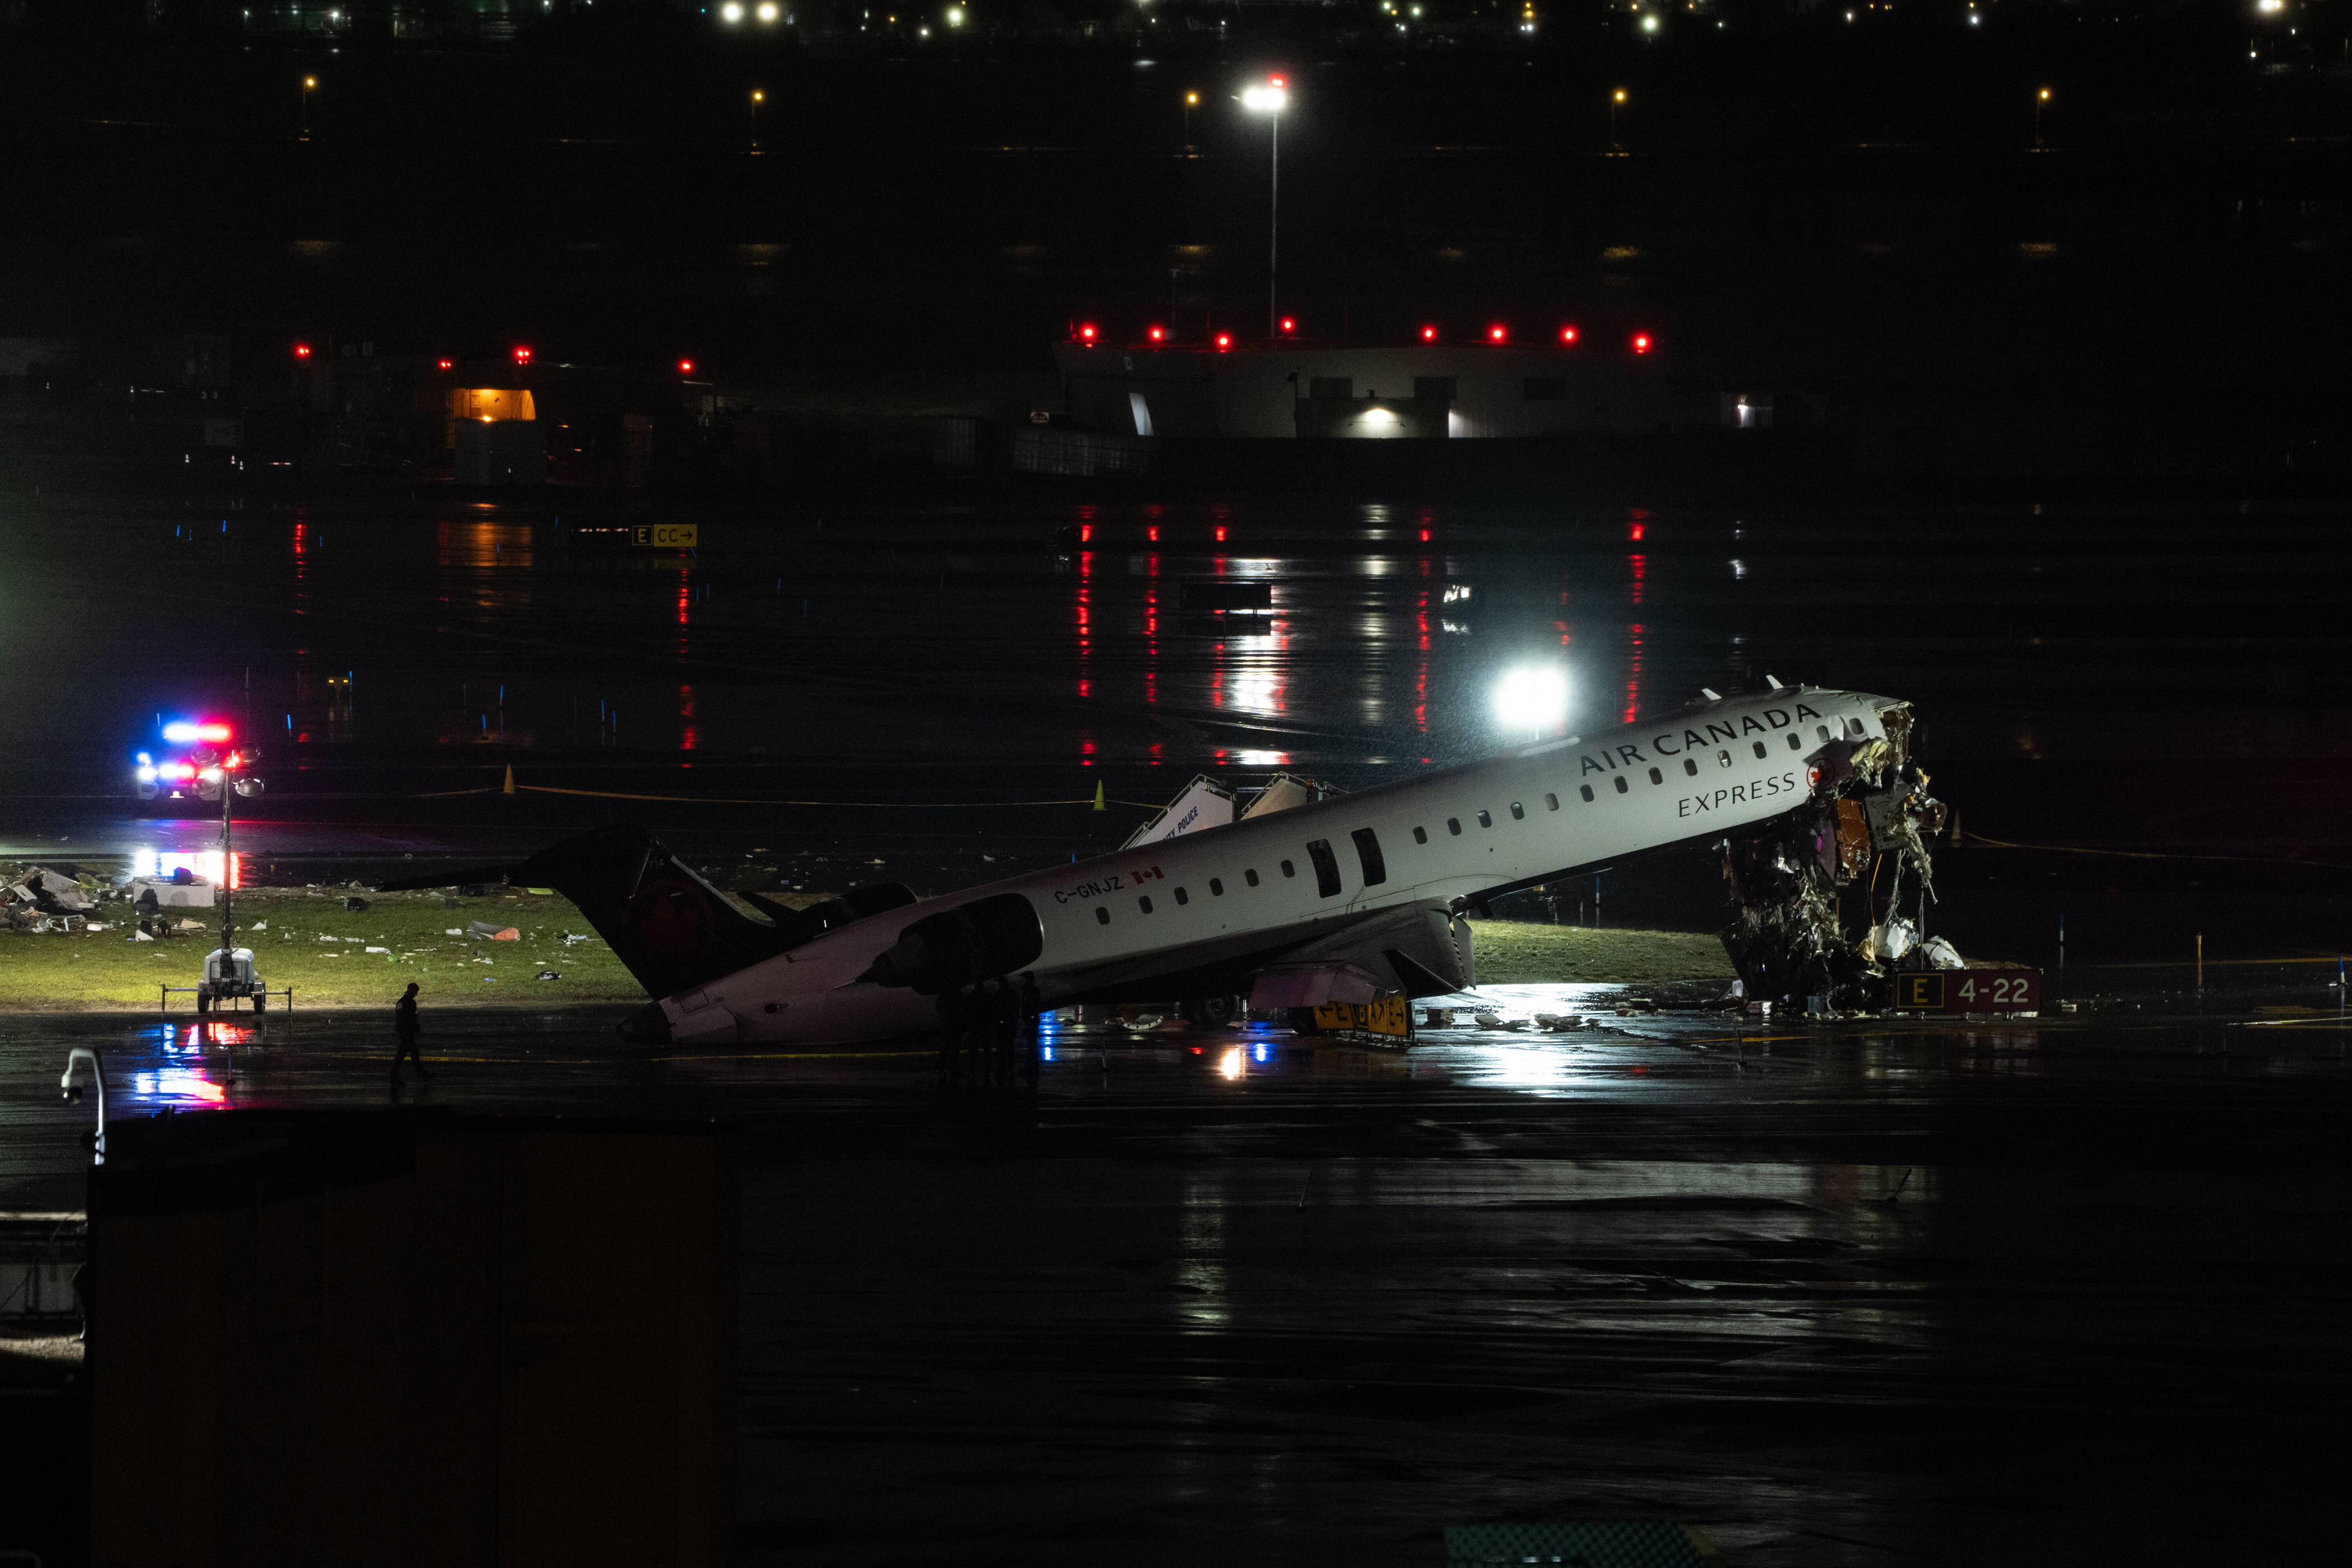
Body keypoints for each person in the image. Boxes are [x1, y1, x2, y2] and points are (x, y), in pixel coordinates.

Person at [391, 981, 429, 1089]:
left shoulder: (401, 1002)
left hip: (404, 1033)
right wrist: (414, 1028)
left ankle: (423, 1075)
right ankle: (395, 1079)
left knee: (411, 1055)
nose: (416, 994)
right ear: (412, 990)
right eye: (416, 992)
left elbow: (400, 1019)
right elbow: (410, 1019)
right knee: (405, 1057)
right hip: (408, 1034)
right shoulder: (410, 1003)